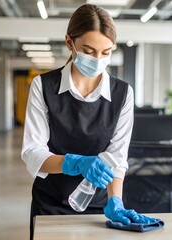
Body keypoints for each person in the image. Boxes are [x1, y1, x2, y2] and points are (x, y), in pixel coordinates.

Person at [21, 4, 154, 238]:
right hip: (50, 205)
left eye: (106, 52)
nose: (98, 59)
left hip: (100, 207)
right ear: (69, 43)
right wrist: (74, 163)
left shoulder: (123, 93)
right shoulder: (44, 87)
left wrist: (116, 201)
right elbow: (33, 152)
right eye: (89, 51)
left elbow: (117, 158)